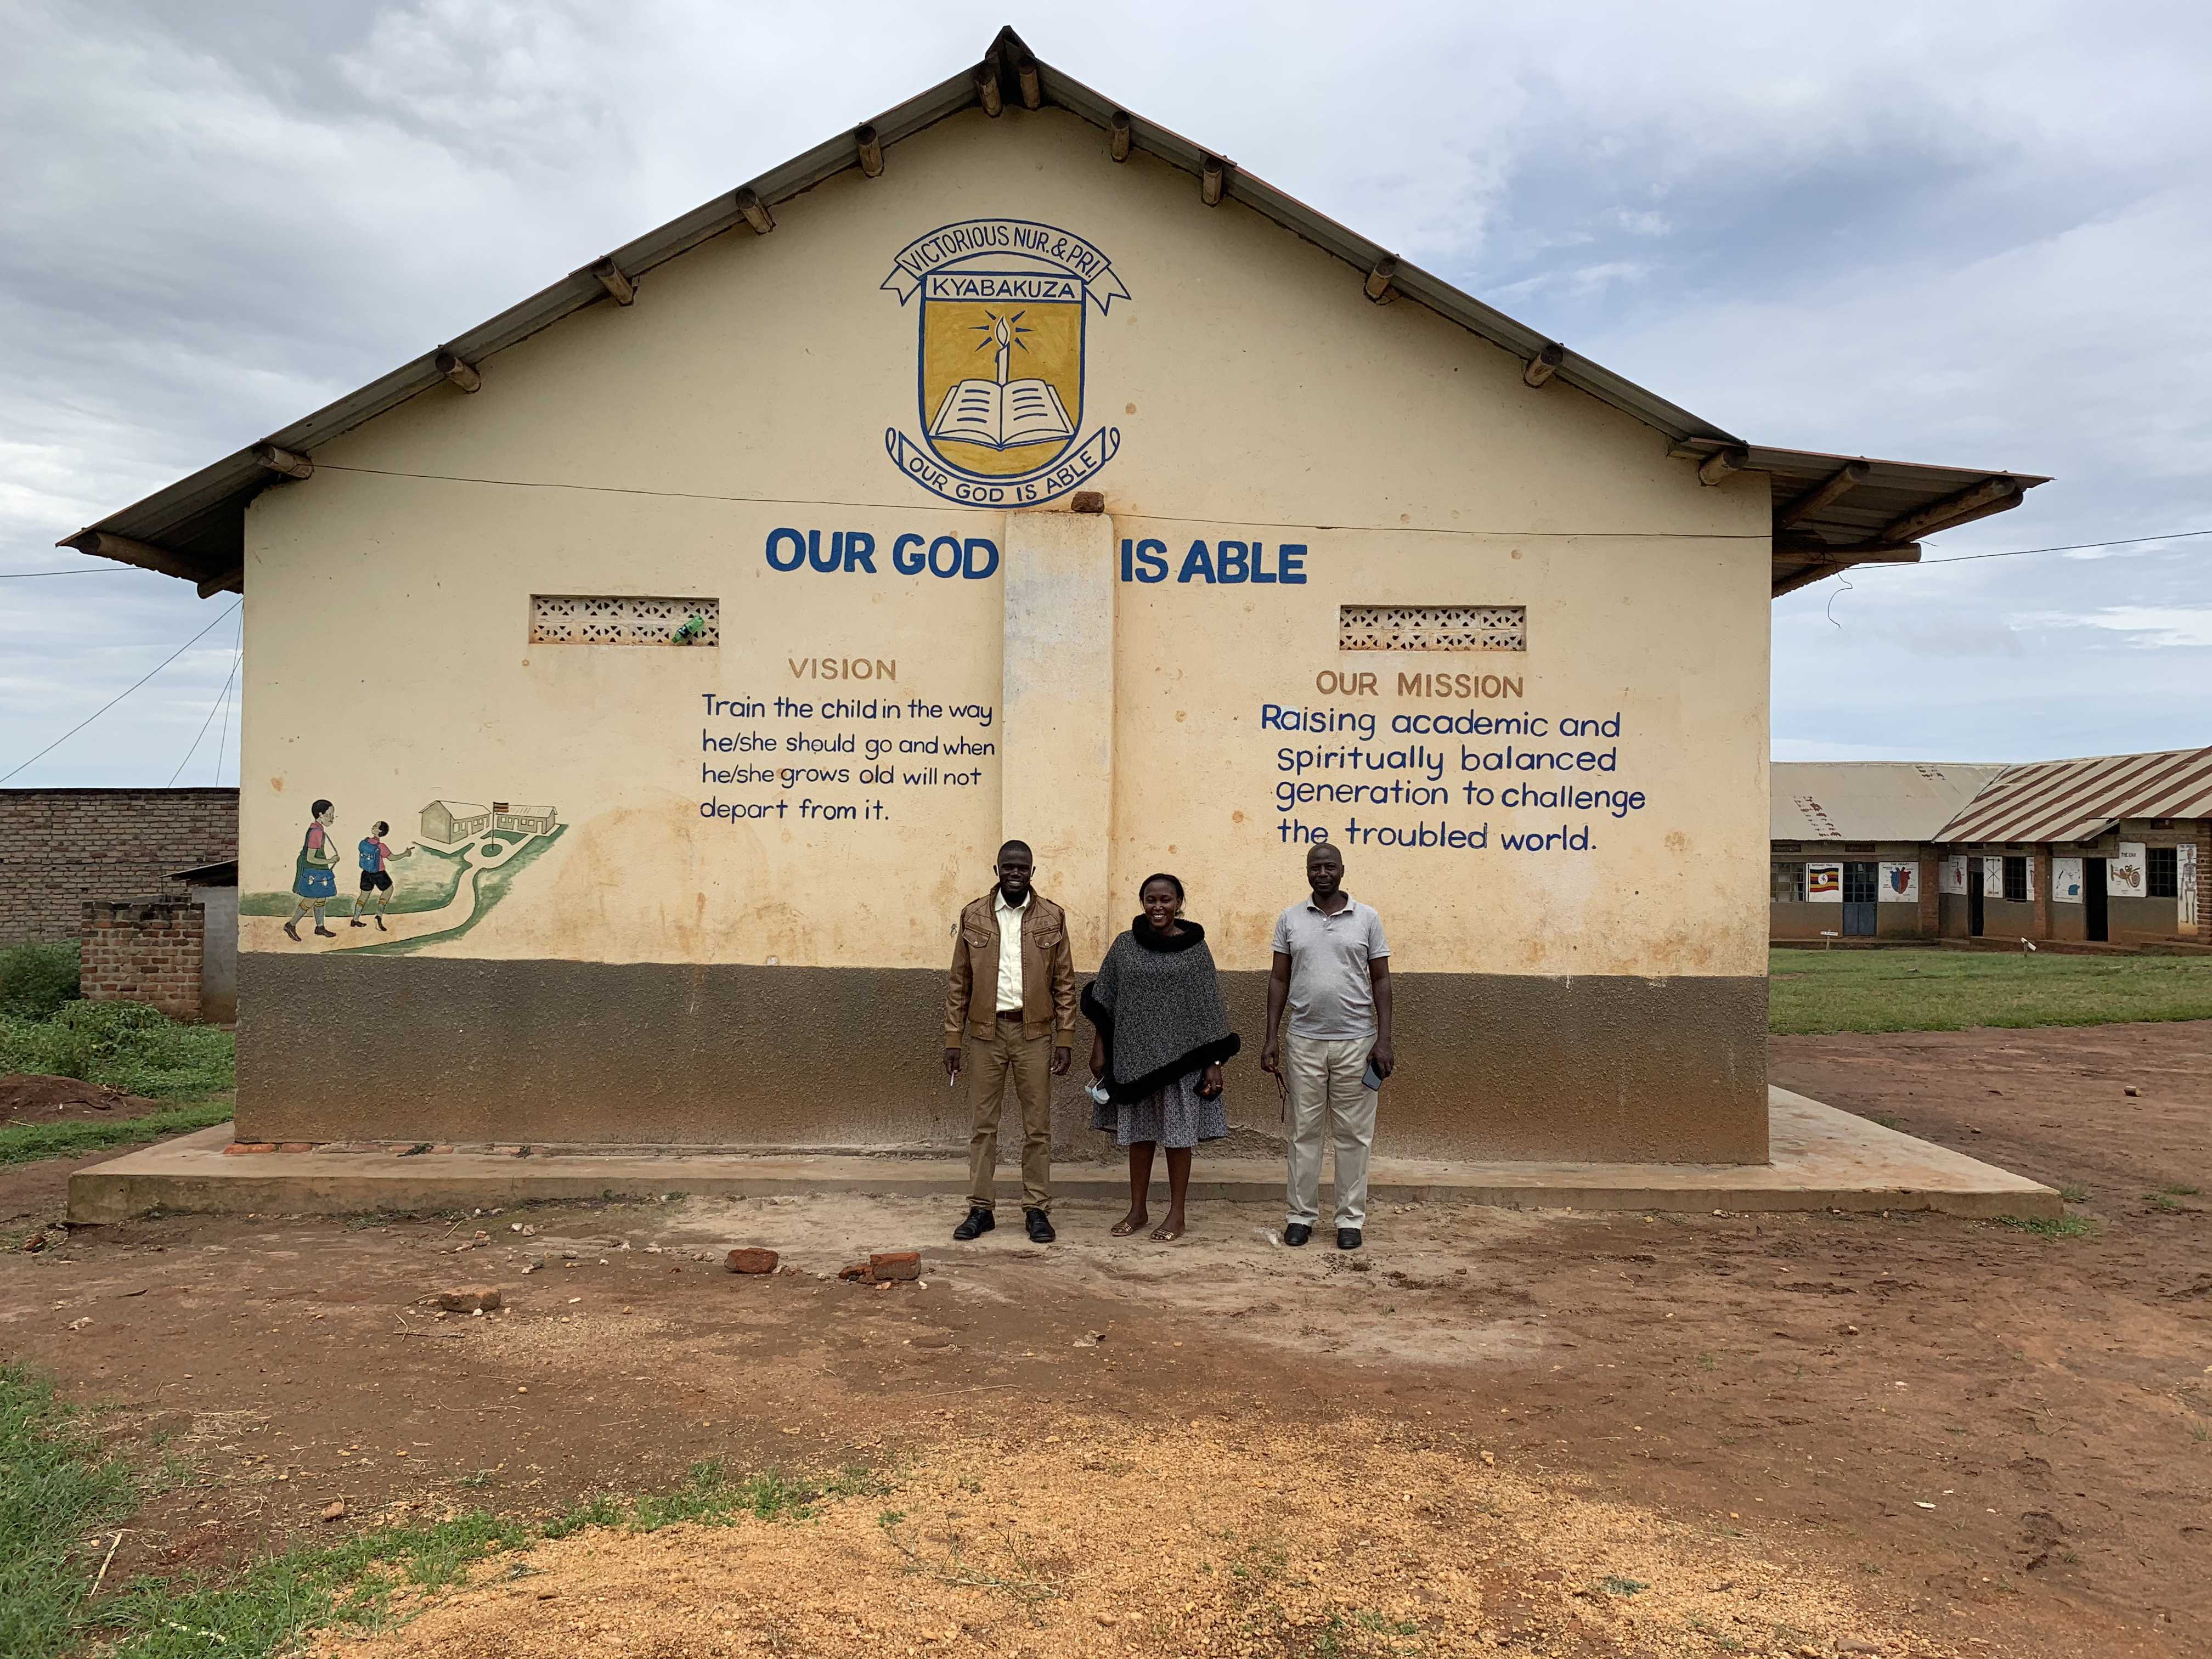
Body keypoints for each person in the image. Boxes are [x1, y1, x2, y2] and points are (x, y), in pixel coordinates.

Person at [1081, 873, 1239, 1242]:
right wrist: (1100, 1045)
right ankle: (1137, 1210)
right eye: (1151, 899)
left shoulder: (1195, 950)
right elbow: (1105, 998)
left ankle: (1177, 1214)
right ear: (1142, 903)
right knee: (1139, 1135)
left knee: (1178, 1136)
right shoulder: (1124, 946)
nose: (1158, 906)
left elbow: (1209, 1005)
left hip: (1181, 1061)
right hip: (1134, 1058)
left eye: (1165, 900)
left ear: (1178, 903)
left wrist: (1214, 1061)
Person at [1260, 842, 1393, 1250]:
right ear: (1307, 872)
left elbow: (1382, 981)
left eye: (1329, 867)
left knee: (1355, 1135)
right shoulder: (1290, 918)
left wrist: (1384, 1039)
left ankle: (1350, 1221)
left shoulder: (1367, 918)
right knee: (1304, 1133)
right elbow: (1279, 980)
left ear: (1341, 871)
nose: (1323, 873)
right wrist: (1271, 1037)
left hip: (1358, 1042)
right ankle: (1300, 1217)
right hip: (1304, 1041)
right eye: (1315, 867)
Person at [944, 840, 1075, 1243]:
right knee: (983, 1127)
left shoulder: (1052, 917)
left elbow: (1065, 982)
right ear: (997, 869)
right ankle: (981, 1209)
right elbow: (959, 982)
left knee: (1038, 1128)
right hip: (986, 1033)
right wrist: (953, 1037)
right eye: (1008, 867)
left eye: (1023, 867)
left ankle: (1037, 1209)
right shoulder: (974, 916)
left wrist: (1065, 1037)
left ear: (1032, 872)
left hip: (1034, 1034)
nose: (1015, 873)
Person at [283, 800, 342, 941]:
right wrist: (330, 861)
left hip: (319, 868)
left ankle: (320, 927)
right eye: (329, 815)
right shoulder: (317, 833)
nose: (332, 819)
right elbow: (311, 858)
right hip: (313, 868)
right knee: (311, 898)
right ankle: (291, 925)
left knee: (322, 896)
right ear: (320, 815)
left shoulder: (318, 830)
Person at [351, 821, 400, 930]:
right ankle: (378, 916)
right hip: (379, 874)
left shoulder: (365, 841)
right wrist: (405, 854)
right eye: (375, 825)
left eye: (376, 826)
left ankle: (355, 920)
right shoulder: (381, 846)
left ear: (380, 831)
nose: (373, 826)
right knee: (389, 890)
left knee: (363, 896)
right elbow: (392, 858)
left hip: (366, 872)